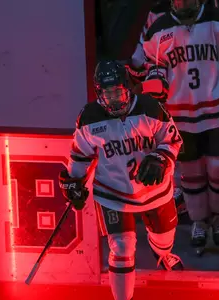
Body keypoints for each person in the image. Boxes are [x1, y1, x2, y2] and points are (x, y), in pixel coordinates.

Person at [58, 60, 184, 300]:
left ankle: (163, 253)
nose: (113, 98)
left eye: (117, 91)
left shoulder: (151, 108)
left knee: (164, 239)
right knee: (121, 248)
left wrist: (160, 157)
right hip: (112, 193)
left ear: (127, 87)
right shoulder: (89, 117)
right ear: (99, 92)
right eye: (107, 93)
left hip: (155, 191)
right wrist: (73, 181)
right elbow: (80, 155)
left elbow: (173, 140)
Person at [141, 0, 219, 251]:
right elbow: (151, 67)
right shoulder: (158, 28)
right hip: (180, 115)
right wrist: (155, 85)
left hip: (217, 111)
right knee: (191, 173)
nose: (184, 3)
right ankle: (198, 221)